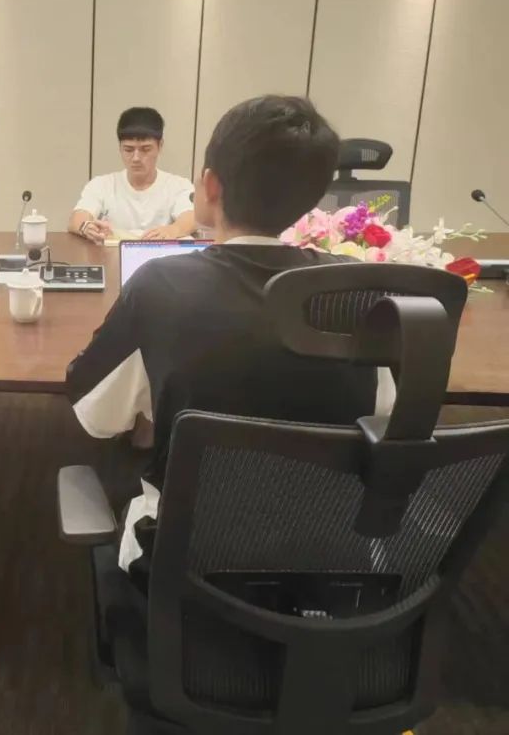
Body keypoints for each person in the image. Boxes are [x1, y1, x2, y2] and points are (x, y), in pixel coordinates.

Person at [66, 95, 393, 584]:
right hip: (332, 560)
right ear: (314, 198)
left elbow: (97, 415)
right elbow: (385, 413)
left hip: (183, 562)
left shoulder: (161, 286)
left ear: (211, 185)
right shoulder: (358, 291)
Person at [69, 107, 196, 243]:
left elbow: (191, 217)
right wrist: (85, 226)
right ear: (120, 147)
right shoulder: (101, 185)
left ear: (160, 146)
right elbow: (77, 217)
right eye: (128, 150)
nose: (136, 158)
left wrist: (172, 230)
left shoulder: (178, 185)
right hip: (111, 255)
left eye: (145, 149)